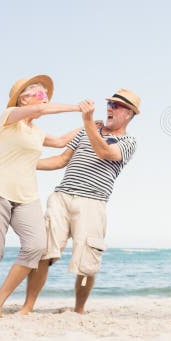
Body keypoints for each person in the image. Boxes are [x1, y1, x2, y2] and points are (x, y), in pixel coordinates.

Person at [18, 89, 140, 315]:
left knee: (87, 263)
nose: (110, 108)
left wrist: (87, 122)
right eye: (110, 103)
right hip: (62, 197)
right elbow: (61, 159)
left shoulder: (128, 141)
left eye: (117, 105)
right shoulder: (86, 130)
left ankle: (79, 310)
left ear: (129, 113)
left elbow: (105, 152)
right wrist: (28, 164)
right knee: (44, 252)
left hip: (93, 203)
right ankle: (27, 307)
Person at [0, 75, 80, 319]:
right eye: (38, 92)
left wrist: (89, 123)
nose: (43, 96)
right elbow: (41, 109)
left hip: (26, 196)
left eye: (44, 93)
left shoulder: (37, 132)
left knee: (35, 246)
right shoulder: (8, 118)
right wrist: (76, 106)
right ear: (23, 99)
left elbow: (63, 141)